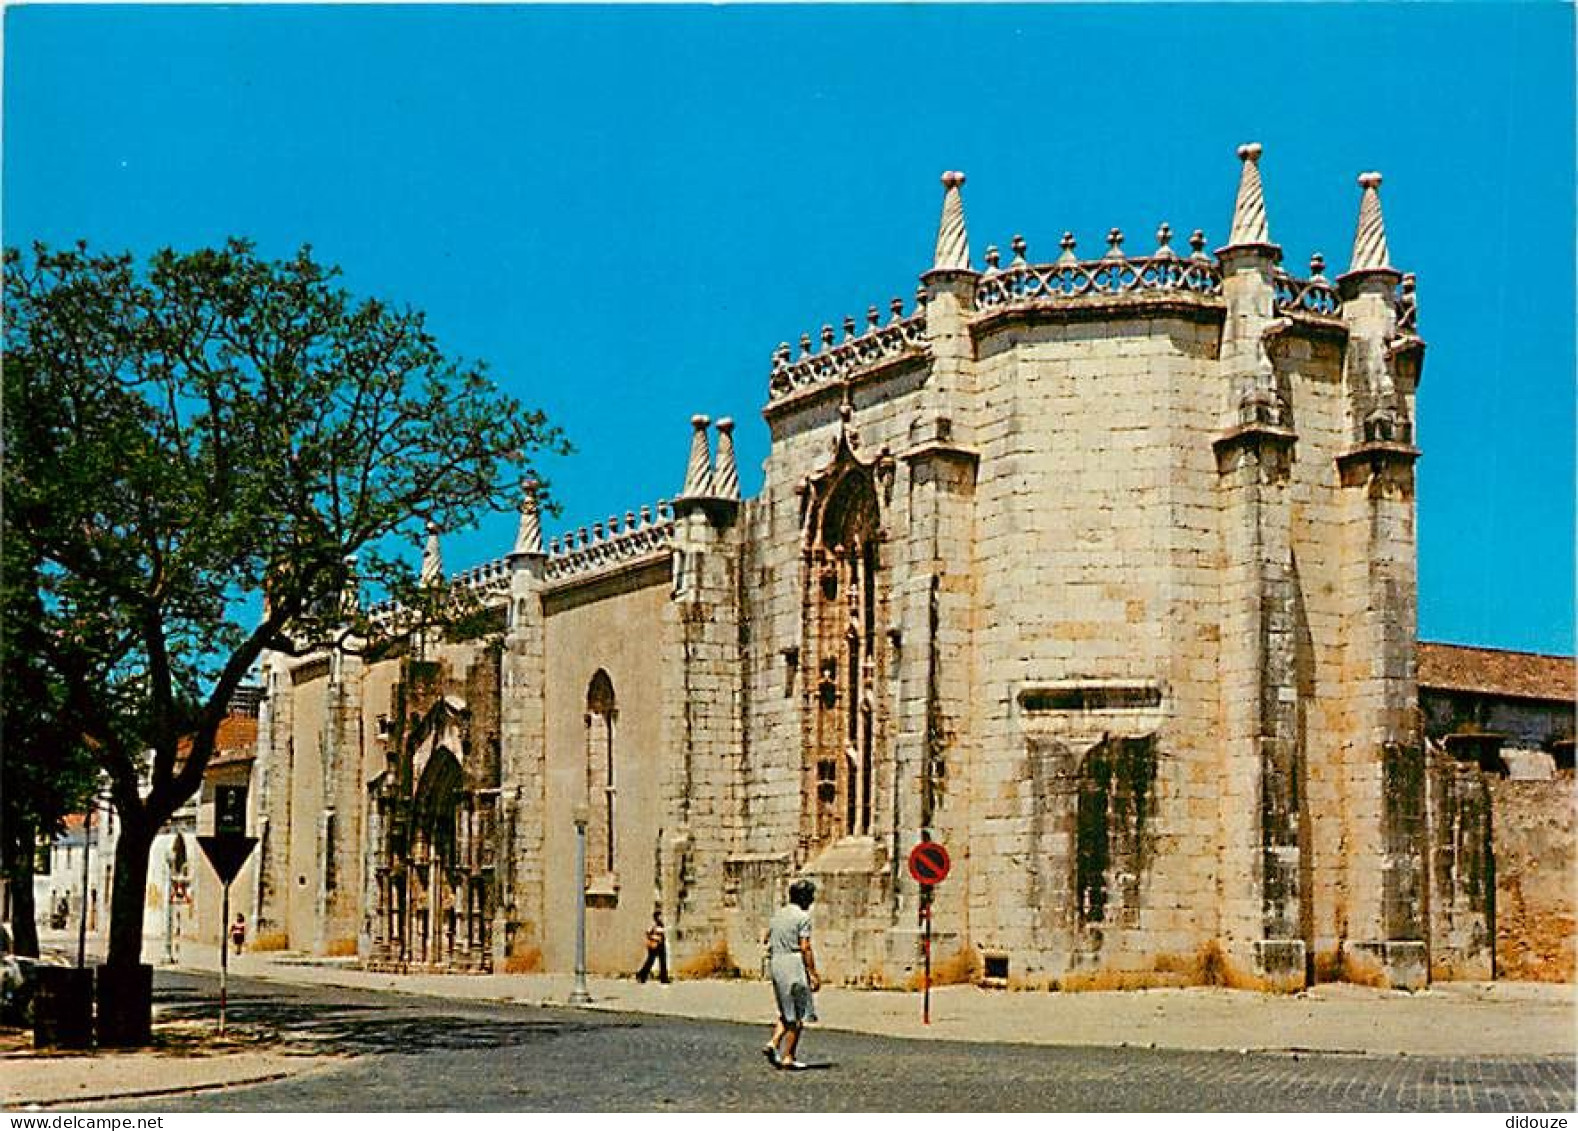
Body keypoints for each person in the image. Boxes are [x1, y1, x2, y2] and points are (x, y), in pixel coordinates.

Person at [763, 878, 820, 1070]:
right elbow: (805, 947)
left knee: (786, 1009)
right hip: (793, 963)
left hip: (776, 962)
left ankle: (773, 1042)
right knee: (798, 1013)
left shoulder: (777, 915)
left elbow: (766, 938)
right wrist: (813, 973)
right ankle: (789, 1055)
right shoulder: (802, 918)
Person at [635, 909, 669, 983]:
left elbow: (661, 934)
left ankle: (664, 978)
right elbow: (648, 933)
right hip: (654, 945)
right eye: (660, 916)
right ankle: (641, 975)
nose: (662, 917)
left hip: (661, 944)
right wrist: (655, 939)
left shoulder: (661, 924)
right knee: (650, 961)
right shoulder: (653, 924)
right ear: (657, 917)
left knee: (663, 962)